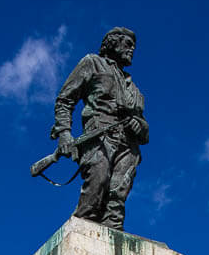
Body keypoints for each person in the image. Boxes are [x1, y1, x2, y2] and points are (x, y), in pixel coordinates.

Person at [51, 26, 149, 230]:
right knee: (95, 189)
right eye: (128, 44)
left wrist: (138, 125)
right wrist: (64, 133)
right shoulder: (92, 63)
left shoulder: (135, 89)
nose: (132, 50)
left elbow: (145, 130)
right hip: (99, 137)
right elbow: (65, 100)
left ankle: (113, 242)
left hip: (128, 146)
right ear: (113, 43)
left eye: (134, 47)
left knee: (117, 198)